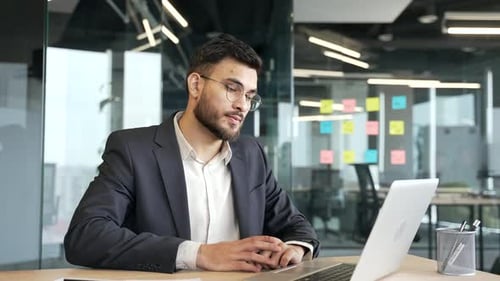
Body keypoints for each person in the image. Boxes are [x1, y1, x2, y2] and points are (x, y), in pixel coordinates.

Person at [64, 33, 319, 274]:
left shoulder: (250, 155)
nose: (242, 105)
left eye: (250, 96)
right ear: (196, 85)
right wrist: (198, 254)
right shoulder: (133, 150)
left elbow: (297, 227)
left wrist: (295, 249)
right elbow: (85, 236)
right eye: (232, 88)